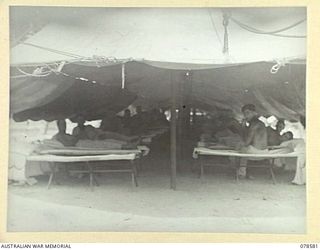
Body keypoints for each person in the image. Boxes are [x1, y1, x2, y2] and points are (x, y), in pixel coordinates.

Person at [238, 104, 268, 179]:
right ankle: (247, 172)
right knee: (242, 146)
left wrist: (243, 127)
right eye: (244, 114)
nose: (245, 116)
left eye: (247, 113)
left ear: (254, 113)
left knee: (241, 147)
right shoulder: (259, 123)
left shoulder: (254, 124)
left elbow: (246, 142)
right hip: (265, 151)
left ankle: (241, 172)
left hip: (257, 152)